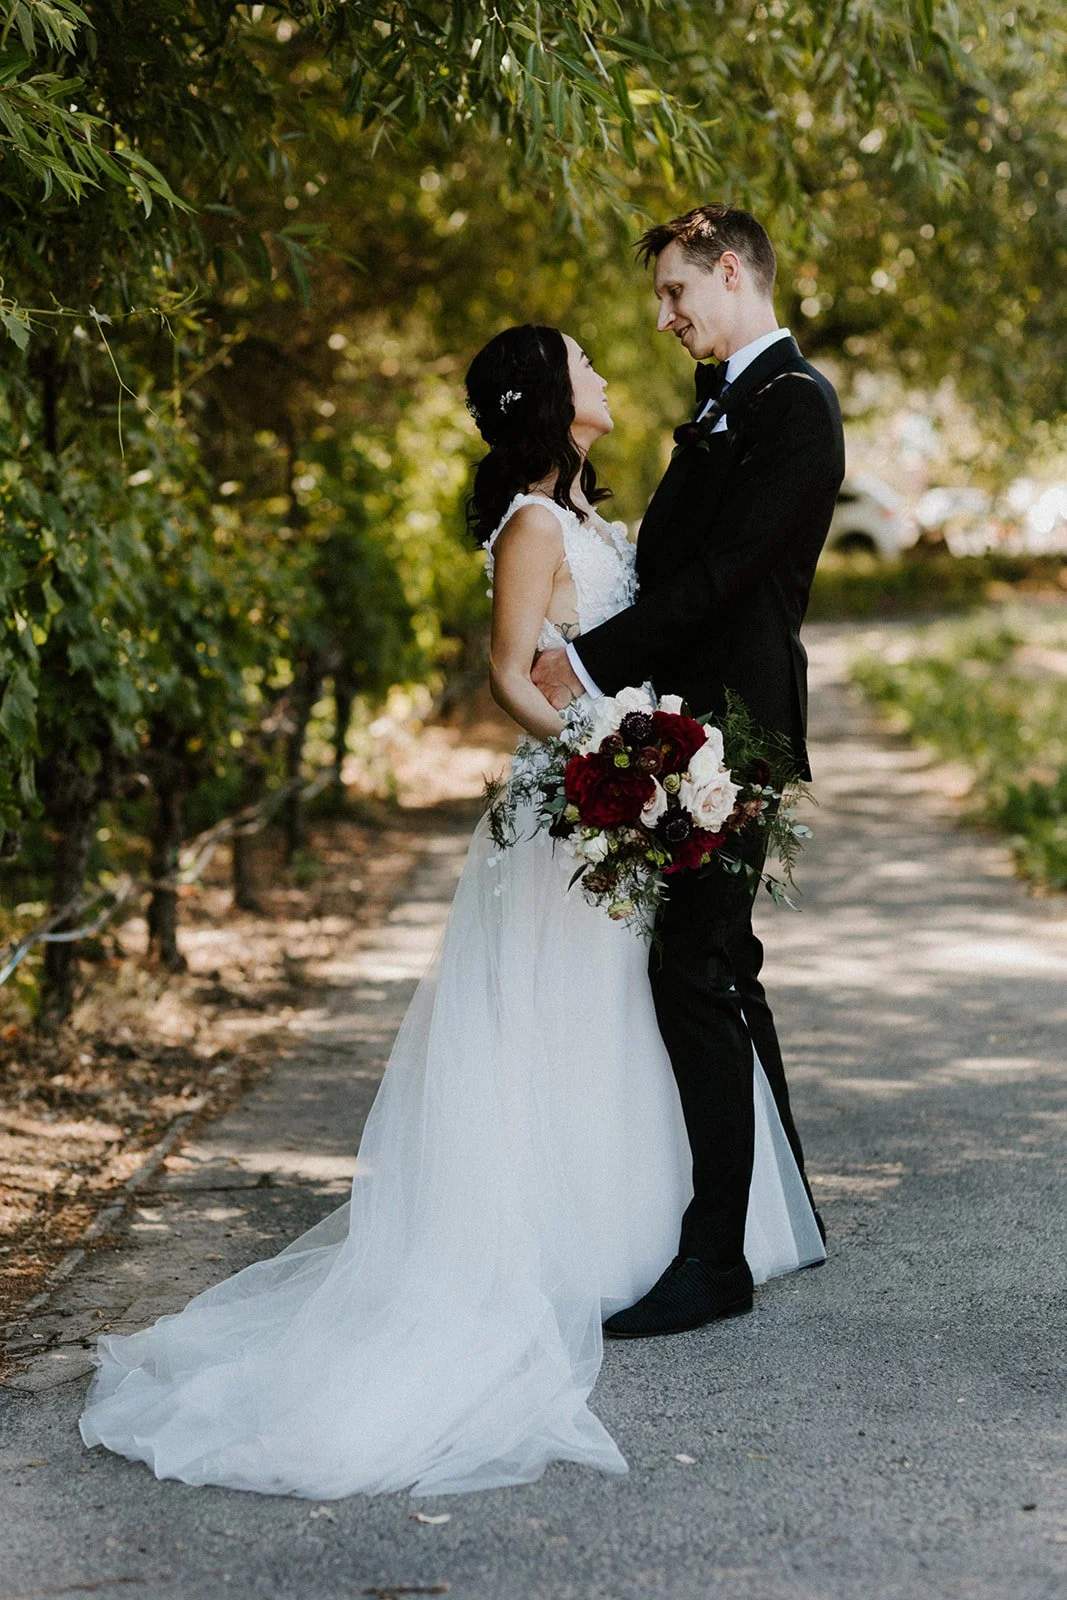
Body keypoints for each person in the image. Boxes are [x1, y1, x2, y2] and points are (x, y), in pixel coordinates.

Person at [78, 322, 823, 1502]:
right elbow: (506, 671)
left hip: (621, 793)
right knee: (562, 1015)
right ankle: (560, 1249)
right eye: (583, 362)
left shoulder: (584, 516)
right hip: (575, 803)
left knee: (621, 1011)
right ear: (549, 401)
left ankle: (645, 1236)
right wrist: (600, 753)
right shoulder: (532, 524)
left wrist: (638, 751)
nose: (604, 371)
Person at [532, 205, 846, 1341]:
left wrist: (577, 661)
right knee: (724, 964)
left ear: (729, 271)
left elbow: (720, 577)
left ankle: (715, 1259)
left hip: (739, 728)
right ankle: (783, 1214)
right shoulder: (726, 403)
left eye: (674, 294)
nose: (663, 319)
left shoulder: (794, 408)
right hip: (688, 722)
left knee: (691, 971)